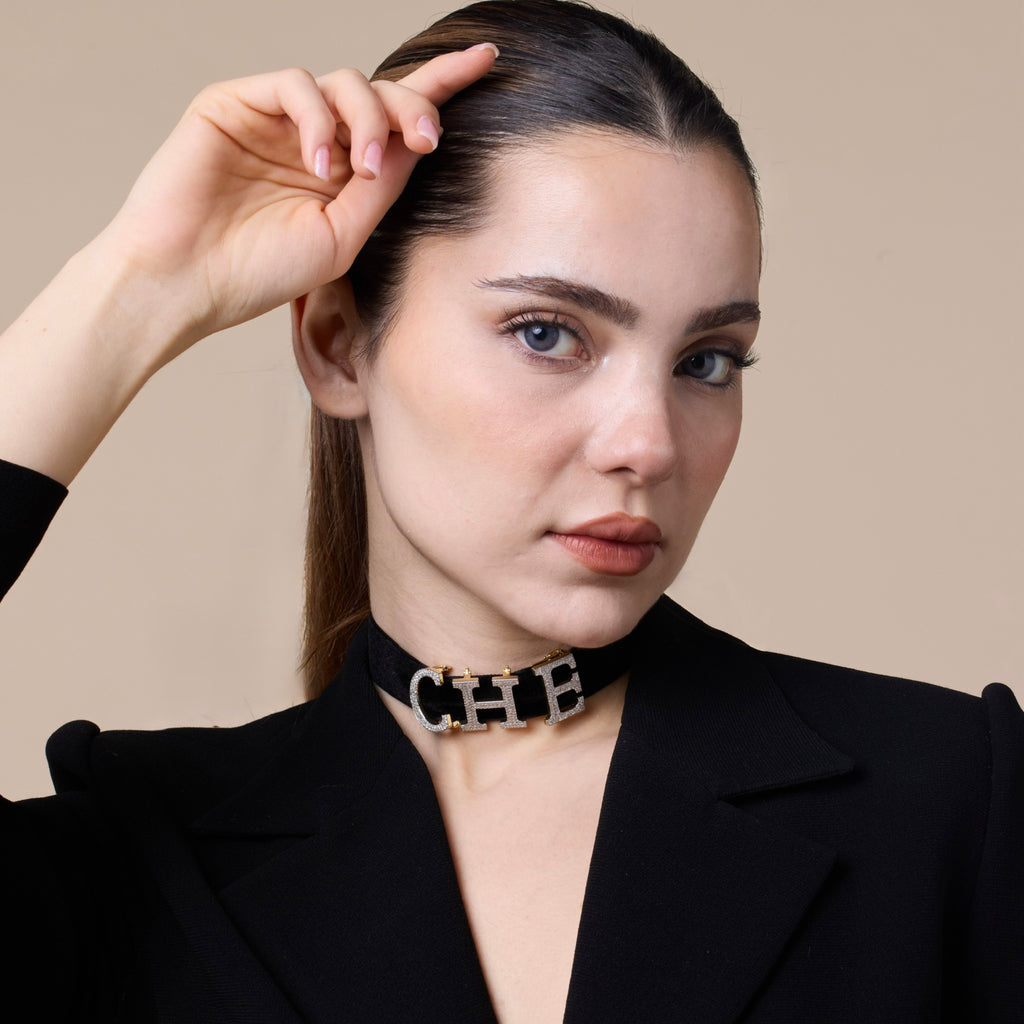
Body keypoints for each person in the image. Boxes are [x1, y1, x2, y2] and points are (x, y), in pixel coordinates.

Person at [0, 1, 1020, 1021]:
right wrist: (134, 285)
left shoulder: (947, 802)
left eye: (707, 361)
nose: (648, 444)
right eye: (547, 333)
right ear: (339, 345)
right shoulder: (139, 862)